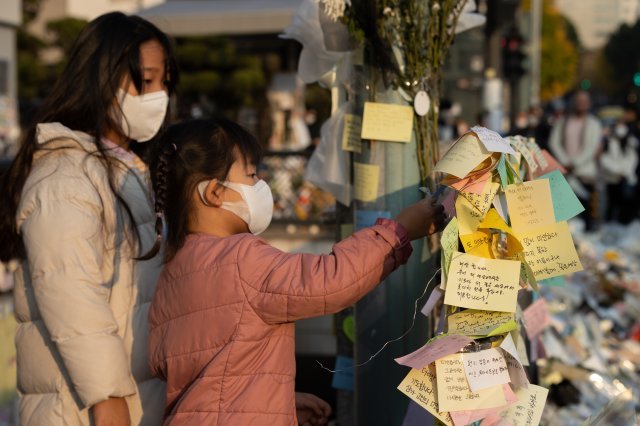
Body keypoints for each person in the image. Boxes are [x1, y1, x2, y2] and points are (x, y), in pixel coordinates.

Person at [146, 118, 446, 425]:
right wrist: (398, 232)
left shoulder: (174, 270)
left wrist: (277, 403)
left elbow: (212, 374)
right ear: (214, 193)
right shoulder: (241, 258)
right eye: (250, 175)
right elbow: (330, 280)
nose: (259, 184)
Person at [0, 12, 179, 425]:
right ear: (101, 78)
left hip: (133, 398)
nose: (158, 95)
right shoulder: (66, 175)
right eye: (145, 81)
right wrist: (108, 397)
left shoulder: (126, 166)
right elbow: (71, 292)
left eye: (164, 82)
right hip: (82, 408)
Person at [548, 90, 603, 230]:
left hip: (585, 174)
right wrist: (565, 162)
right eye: (578, 100)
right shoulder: (563, 121)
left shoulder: (594, 124)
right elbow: (554, 142)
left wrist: (575, 163)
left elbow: (590, 148)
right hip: (564, 172)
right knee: (565, 215)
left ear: (589, 104)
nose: (581, 104)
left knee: (587, 214)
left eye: (584, 101)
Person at [600, 119, 639, 224]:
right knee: (611, 202)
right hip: (611, 178)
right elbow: (604, 159)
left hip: (626, 177)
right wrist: (617, 171)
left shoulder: (630, 141)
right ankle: (609, 223)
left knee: (626, 201)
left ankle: (625, 223)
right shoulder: (608, 141)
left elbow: (632, 158)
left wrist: (625, 172)